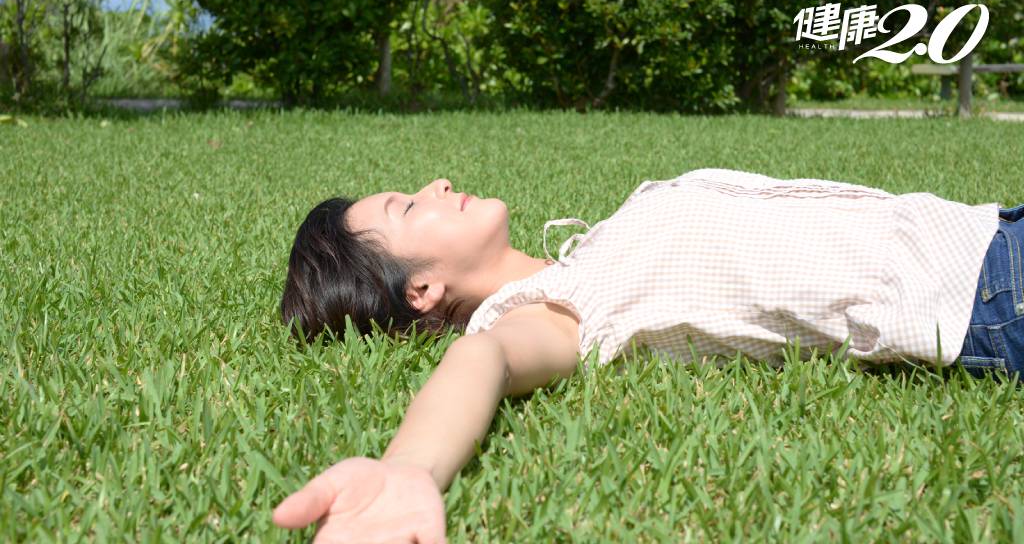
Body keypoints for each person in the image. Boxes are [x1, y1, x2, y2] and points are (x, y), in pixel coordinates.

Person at [272, 167, 1023, 542]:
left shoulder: (586, 255)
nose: (436, 184)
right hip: (984, 293)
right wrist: (409, 467)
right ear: (422, 290)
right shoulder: (551, 311)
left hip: (988, 230)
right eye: (409, 207)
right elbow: (483, 361)